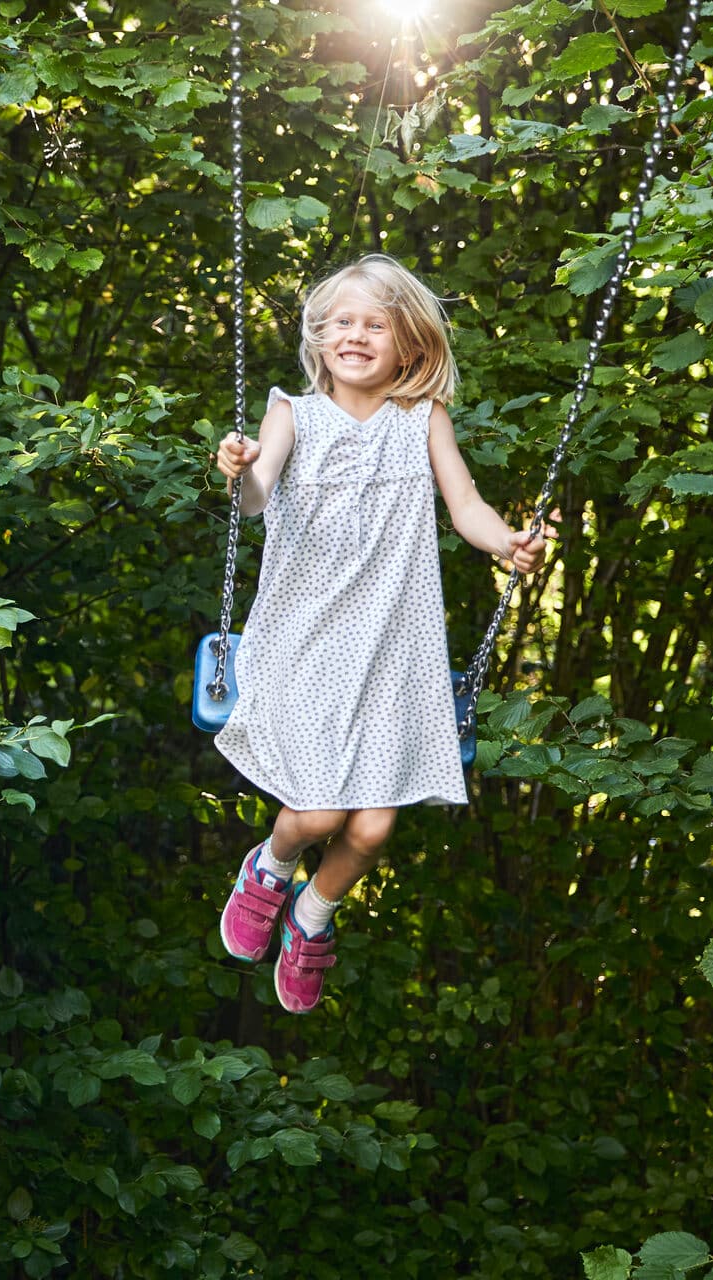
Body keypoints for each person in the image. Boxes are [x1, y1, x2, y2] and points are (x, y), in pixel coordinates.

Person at [211, 253, 547, 1013]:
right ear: (318, 336)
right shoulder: (291, 413)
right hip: (305, 639)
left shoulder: (421, 419)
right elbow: (258, 496)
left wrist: (508, 544)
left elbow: (466, 506)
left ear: (411, 345)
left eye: (375, 324)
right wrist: (239, 466)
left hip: (395, 648)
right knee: (322, 813)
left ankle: (312, 915)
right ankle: (268, 865)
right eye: (340, 323)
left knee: (372, 830)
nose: (354, 335)